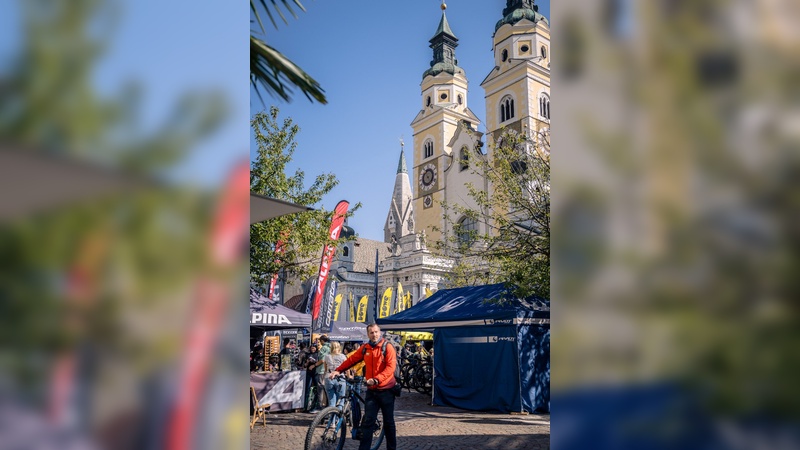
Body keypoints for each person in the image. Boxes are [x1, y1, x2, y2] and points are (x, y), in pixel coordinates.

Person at [329, 324, 397, 450]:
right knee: (368, 423)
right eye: (371, 332)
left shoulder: (387, 347)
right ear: (368, 334)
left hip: (386, 390)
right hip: (372, 391)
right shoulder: (366, 348)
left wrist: (377, 379)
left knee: (389, 423)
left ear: (380, 332)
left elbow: (390, 368)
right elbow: (352, 360)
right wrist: (338, 370)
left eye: (376, 332)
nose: (374, 334)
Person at [323, 342, 347, 408]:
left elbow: (326, 369)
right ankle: (339, 417)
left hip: (329, 377)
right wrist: (349, 375)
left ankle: (332, 418)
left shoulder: (327, 356)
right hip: (340, 378)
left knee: (331, 402)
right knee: (341, 400)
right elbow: (346, 368)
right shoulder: (343, 356)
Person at [309, 335, 331, 409]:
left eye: (319, 341)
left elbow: (322, 360)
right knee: (326, 388)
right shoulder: (330, 347)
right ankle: (328, 404)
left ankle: (320, 405)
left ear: (322, 341)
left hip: (321, 370)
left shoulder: (324, 348)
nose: (319, 343)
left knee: (320, 389)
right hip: (327, 370)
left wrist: (314, 365)